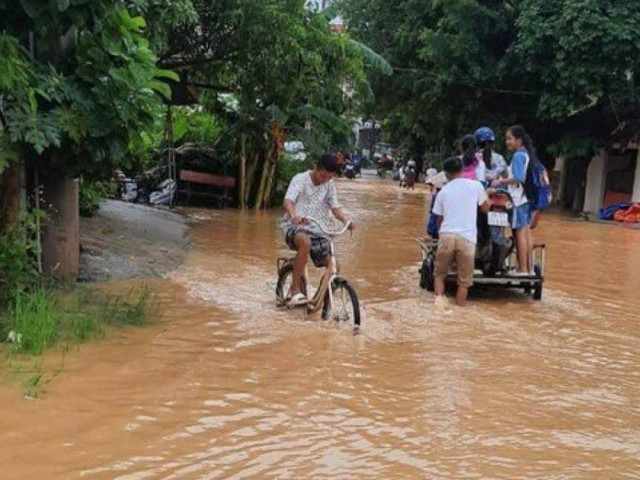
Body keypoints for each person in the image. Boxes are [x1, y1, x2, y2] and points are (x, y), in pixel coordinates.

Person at [282, 153, 354, 306]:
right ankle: (295, 289)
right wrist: (294, 215)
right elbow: (288, 201)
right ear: (315, 168)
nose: (325, 180)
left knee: (334, 266)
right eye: (323, 176)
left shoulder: (329, 185)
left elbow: (335, 209)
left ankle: (318, 300)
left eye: (329, 177)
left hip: (318, 230)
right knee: (305, 243)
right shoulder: (300, 179)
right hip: (295, 227)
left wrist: (346, 220)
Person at [433, 157, 490, 307]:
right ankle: (459, 311)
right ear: (462, 170)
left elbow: (439, 220)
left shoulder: (443, 192)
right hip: (467, 239)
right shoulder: (476, 186)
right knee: (464, 282)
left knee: (439, 275)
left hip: (447, 236)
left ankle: (439, 306)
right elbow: (486, 208)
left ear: (446, 174)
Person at [490, 125, 533, 275]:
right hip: (524, 199)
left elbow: (518, 178)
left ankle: (522, 269)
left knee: (519, 233)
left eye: (510, 139)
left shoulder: (518, 156)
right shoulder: (526, 154)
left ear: (519, 140)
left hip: (517, 200)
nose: (507, 142)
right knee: (526, 233)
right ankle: (528, 269)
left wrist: (500, 182)